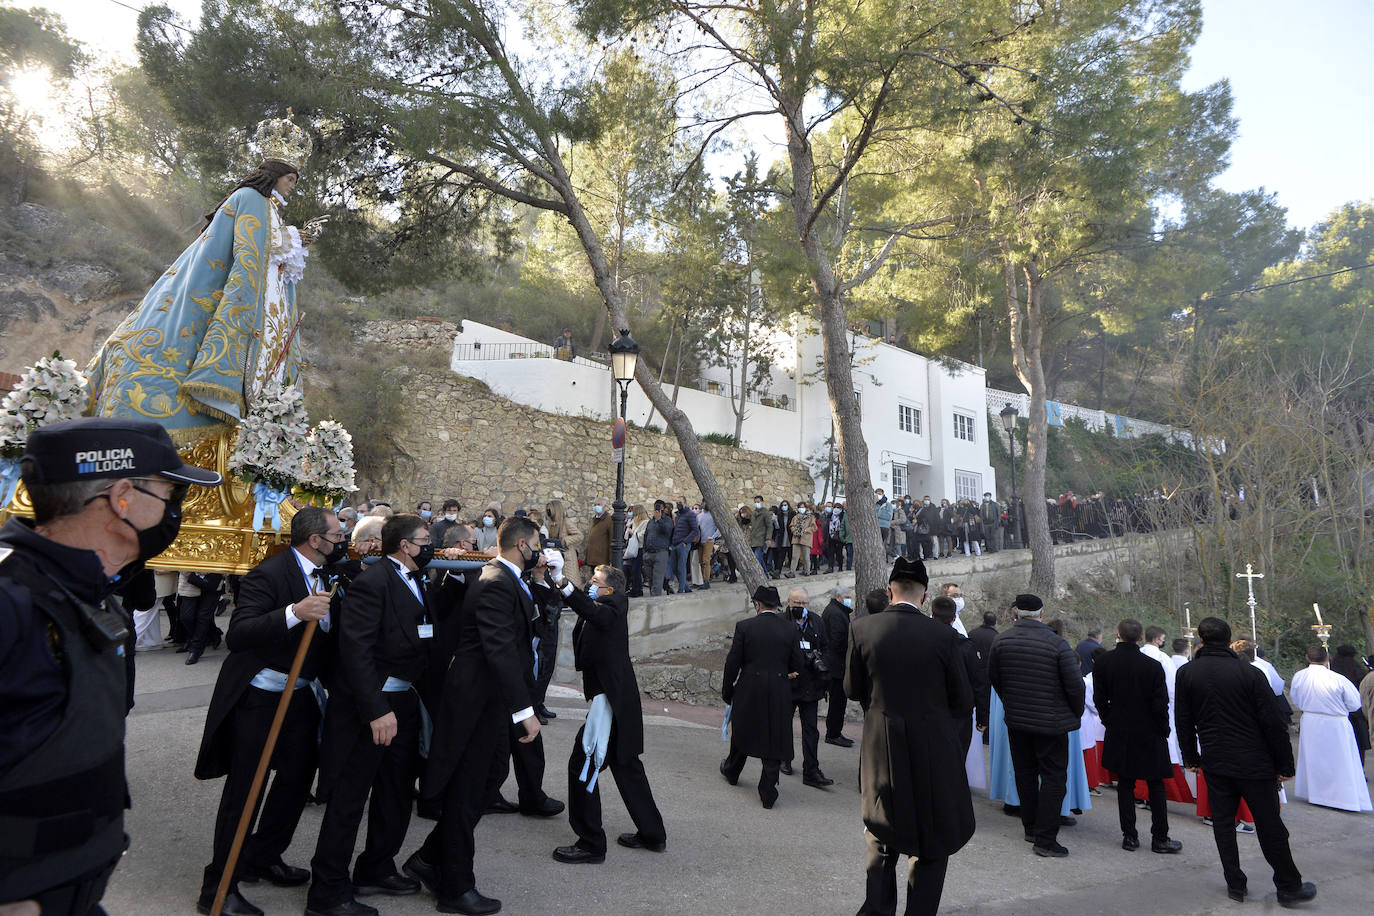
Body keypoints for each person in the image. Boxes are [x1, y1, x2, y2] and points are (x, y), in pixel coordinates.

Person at [0, 417, 220, 915]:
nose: (175, 510)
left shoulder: (88, 592)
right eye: (171, 493)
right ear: (123, 497)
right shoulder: (11, 600)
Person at [86, 116, 316, 443]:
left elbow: (269, 248)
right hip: (228, 298)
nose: (293, 185)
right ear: (276, 174)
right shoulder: (252, 199)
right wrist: (292, 238)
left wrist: (293, 240)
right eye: (291, 178)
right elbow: (252, 248)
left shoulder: (268, 208)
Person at [195, 506, 341, 916]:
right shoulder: (269, 574)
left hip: (303, 695)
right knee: (247, 788)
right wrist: (295, 613)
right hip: (260, 698)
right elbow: (240, 632)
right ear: (315, 540)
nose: (342, 540)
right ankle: (219, 884)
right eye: (337, 535)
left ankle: (264, 854)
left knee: (297, 779)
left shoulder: (327, 572)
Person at [407, 517, 546, 915]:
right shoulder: (496, 581)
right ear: (522, 545)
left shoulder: (508, 578)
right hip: (475, 702)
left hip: (490, 701)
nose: (541, 550)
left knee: (488, 780)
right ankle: (455, 886)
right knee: (468, 789)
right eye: (537, 544)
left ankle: (429, 858)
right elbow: (499, 649)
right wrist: (525, 711)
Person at [305, 515, 435, 916]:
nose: (430, 546)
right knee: (349, 797)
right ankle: (327, 891)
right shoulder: (372, 582)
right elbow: (356, 651)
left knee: (396, 792)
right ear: (405, 545)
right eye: (424, 540)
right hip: (369, 707)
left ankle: (376, 867)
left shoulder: (416, 579)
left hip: (404, 700)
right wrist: (377, 710)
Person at [846, 557, 974, 916]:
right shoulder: (945, 636)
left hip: (881, 747)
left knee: (881, 833)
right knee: (932, 840)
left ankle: (877, 910)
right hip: (932, 749)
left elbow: (852, 689)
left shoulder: (862, 629)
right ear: (925, 596)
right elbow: (963, 700)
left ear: (890, 592)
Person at [1176, 618, 1315, 907]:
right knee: (1269, 823)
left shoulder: (1187, 673)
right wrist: (1285, 764)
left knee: (1223, 823)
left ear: (1201, 639)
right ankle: (1288, 885)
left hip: (1215, 758)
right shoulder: (1249, 672)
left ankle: (1235, 883)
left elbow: (1183, 720)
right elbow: (1272, 722)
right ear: (1229, 641)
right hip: (1254, 760)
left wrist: (1190, 757)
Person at [549, 564, 667, 863]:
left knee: (583, 765)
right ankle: (653, 834)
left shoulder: (613, 606)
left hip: (612, 702)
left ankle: (591, 844)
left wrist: (563, 581)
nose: (590, 584)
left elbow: (592, 612)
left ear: (609, 589)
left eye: (595, 581)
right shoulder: (602, 605)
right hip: (614, 699)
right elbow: (586, 610)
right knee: (626, 765)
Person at [986, 594, 1085, 858]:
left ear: (1016, 613)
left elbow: (995, 678)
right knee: (1054, 777)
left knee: (1025, 774)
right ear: (1041, 614)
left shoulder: (1001, 641)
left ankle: (1030, 827)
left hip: (1018, 720)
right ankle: (1045, 838)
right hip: (1051, 722)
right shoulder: (1057, 644)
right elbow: (1075, 686)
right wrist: (1073, 713)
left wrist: (1011, 702)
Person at [1092, 619, 1182, 854]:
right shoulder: (1152, 666)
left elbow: (1099, 698)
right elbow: (1160, 704)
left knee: (1125, 783)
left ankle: (1130, 836)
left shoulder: (1104, 662)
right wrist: (1164, 729)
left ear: (1118, 634)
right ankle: (1160, 837)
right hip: (1149, 730)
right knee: (1156, 784)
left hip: (1120, 728)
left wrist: (1109, 719)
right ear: (1141, 638)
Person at [720, 586, 805, 808]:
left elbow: (732, 663)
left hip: (749, 686)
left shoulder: (745, 627)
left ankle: (732, 770)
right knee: (774, 736)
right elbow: (797, 662)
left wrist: (727, 691)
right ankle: (768, 790)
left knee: (743, 730)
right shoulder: (790, 629)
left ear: (757, 605)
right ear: (777, 606)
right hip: (778, 687)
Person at [1290, 645, 1372, 812]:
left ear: (1307, 658)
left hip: (1311, 722)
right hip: (1335, 723)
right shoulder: (1337, 679)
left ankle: (1316, 793)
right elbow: (1354, 703)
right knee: (1339, 761)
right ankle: (1341, 797)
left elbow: (1295, 699)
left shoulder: (1299, 676)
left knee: (1315, 759)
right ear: (1327, 659)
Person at [780, 587, 833, 787]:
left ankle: (811, 771)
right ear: (789, 603)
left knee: (811, 729)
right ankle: (784, 758)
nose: (801, 607)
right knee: (784, 724)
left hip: (811, 684)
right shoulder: (781, 622)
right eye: (797, 603)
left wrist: (822, 662)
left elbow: (826, 647)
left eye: (804, 603)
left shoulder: (816, 621)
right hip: (789, 683)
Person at [1140, 625, 1194, 803]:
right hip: (1159, 709)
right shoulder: (1162, 658)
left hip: (1137, 711)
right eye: (1162, 639)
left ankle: (1139, 793)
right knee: (1160, 752)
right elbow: (1171, 688)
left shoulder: (1137, 654)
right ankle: (1156, 794)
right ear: (1157, 639)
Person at [821, 584, 855, 747]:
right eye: (847, 597)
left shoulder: (835, 611)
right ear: (838, 597)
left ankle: (835, 732)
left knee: (838, 701)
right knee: (837, 702)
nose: (849, 600)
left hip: (835, 664)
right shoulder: (836, 613)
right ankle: (833, 734)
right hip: (836, 666)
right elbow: (837, 641)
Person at [1329, 644, 1372, 765]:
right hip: (1356, 714)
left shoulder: (1331, 671)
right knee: (1358, 745)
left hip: (1336, 713)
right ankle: (1359, 768)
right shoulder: (1359, 671)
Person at [641, 501, 673, 597]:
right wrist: (644, 552)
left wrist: (659, 520)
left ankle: (656, 600)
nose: (657, 510)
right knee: (650, 580)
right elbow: (646, 535)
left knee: (657, 580)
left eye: (659, 508)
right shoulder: (651, 522)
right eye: (656, 508)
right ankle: (653, 598)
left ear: (663, 509)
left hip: (660, 553)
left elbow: (667, 531)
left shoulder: (667, 520)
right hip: (648, 554)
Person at [668, 495, 699, 594]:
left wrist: (686, 542)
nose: (678, 504)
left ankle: (681, 589)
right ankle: (687, 588)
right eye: (677, 503)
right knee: (673, 567)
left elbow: (695, 530)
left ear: (685, 503)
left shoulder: (690, 514)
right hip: (675, 544)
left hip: (683, 544)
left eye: (680, 502)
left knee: (681, 567)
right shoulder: (678, 515)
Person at [747, 495, 772, 578]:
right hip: (753, 539)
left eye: (758, 502)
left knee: (758, 557)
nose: (756, 503)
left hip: (761, 539)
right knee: (759, 558)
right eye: (755, 502)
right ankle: (765, 575)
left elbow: (769, 526)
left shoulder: (765, 513)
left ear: (762, 502)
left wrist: (768, 538)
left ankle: (765, 575)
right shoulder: (754, 513)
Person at [584, 497, 612, 571]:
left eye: (599, 504)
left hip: (602, 559)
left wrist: (611, 559)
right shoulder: (593, 520)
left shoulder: (609, 520)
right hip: (592, 557)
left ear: (605, 506)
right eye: (595, 505)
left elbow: (611, 539)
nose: (596, 506)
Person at [696, 502, 719, 588]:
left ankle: (706, 580)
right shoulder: (699, 516)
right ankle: (704, 579)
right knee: (701, 561)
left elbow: (719, 528)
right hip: (700, 541)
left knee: (706, 560)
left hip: (709, 541)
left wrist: (713, 537)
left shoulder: (714, 516)